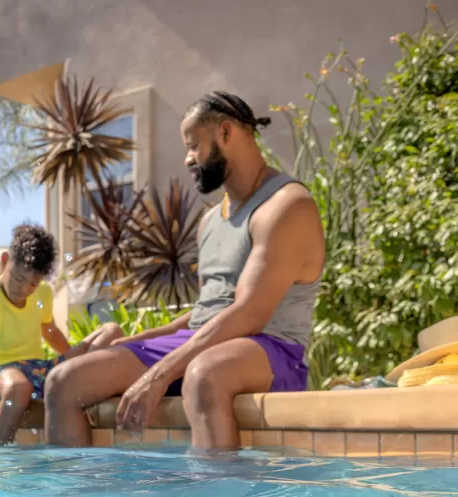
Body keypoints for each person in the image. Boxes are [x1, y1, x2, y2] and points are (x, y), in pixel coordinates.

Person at [44, 91, 326, 451]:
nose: (187, 158)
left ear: (225, 133)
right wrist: (137, 340)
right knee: (64, 382)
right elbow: (207, 312)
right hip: (205, 342)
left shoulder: (286, 206)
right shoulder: (210, 220)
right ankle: (69, 489)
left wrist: (159, 375)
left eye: (193, 145)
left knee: (204, 374)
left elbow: (250, 314)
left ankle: (215, 488)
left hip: (272, 349)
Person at [0, 224, 122, 445]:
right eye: (19, 278)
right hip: (2, 372)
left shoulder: (43, 293)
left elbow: (49, 331)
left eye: (33, 284)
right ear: (5, 261)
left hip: (40, 368)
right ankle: (0, 454)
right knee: (18, 387)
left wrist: (73, 364)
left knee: (111, 331)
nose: (23, 290)